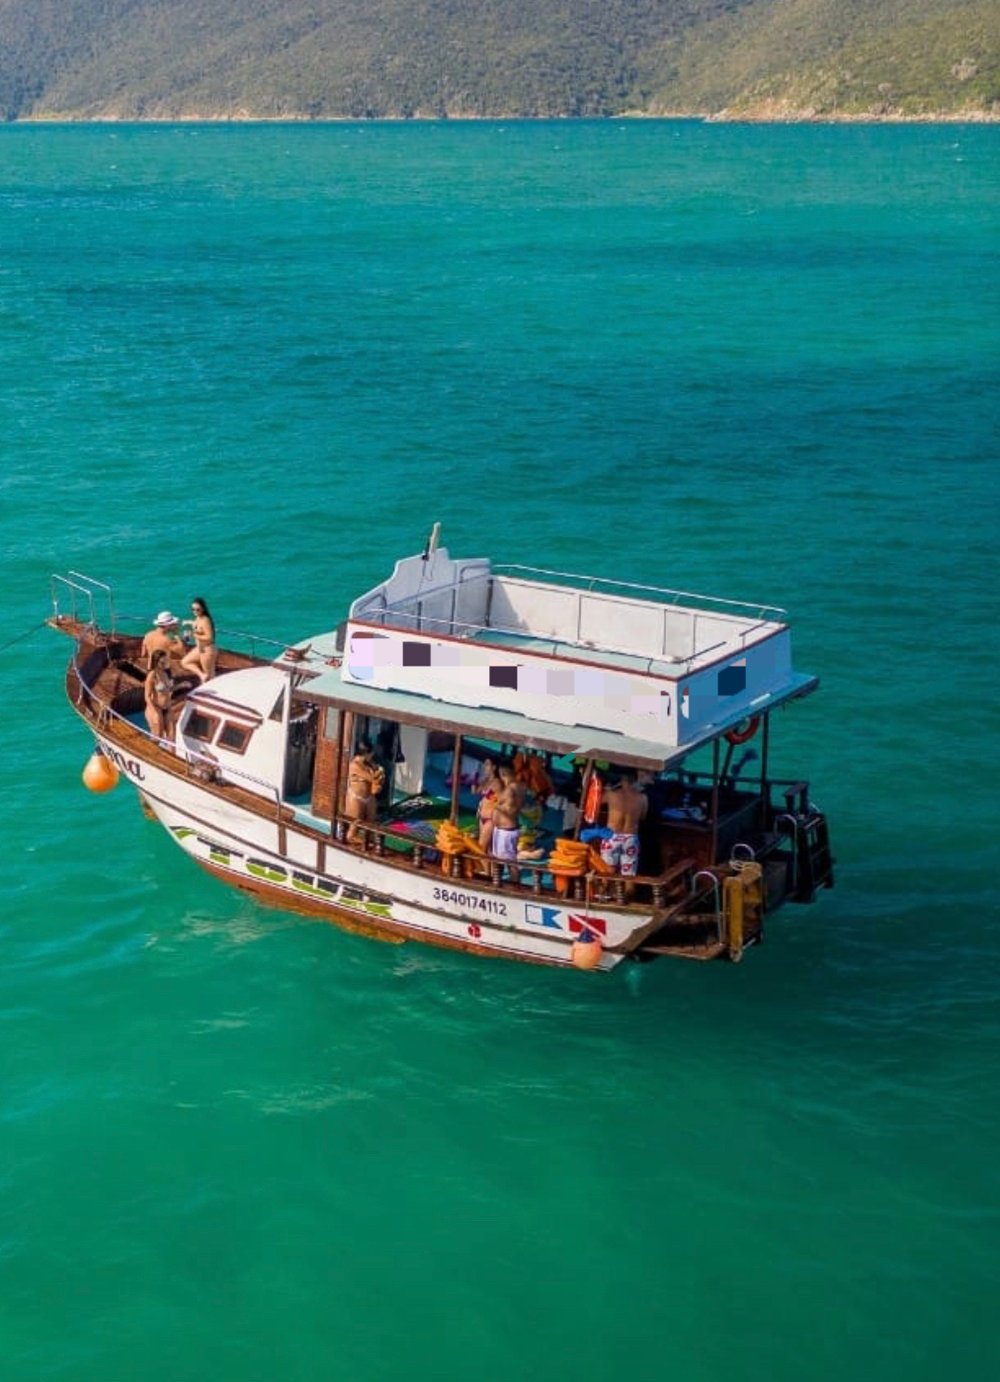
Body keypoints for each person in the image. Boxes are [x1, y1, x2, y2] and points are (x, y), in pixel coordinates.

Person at [599, 770, 649, 888]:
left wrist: (609, 788)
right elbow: (643, 816)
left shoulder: (611, 794)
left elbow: (596, 801)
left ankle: (604, 896)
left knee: (607, 871)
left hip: (612, 836)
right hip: (630, 837)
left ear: (621, 781)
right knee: (629, 875)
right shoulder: (642, 797)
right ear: (635, 781)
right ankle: (627, 900)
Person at [344, 740, 384, 844]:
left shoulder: (369, 763)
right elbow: (372, 777)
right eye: (371, 753)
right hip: (357, 798)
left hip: (369, 797)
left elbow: (378, 778)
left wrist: (379, 776)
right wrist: (379, 772)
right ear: (366, 753)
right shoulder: (354, 765)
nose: (373, 755)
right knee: (355, 823)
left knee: (371, 821)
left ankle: (369, 840)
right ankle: (353, 839)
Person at [491, 763, 525, 874]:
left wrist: (497, 807)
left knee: (509, 863)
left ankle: (513, 885)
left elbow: (508, 810)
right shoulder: (520, 786)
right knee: (504, 861)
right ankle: (509, 883)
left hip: (505, 831)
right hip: (508, 829)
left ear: (503, 774)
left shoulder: (510, 789)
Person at [181, 597, 217, 684]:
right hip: (200, 648)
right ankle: (201, 675)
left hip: (207, 649)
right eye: (193, 609)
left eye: (198, 609)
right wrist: (188, 622)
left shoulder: (205, 620)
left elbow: (210, 637)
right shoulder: (198, 618)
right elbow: (197, 625)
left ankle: (211, 690)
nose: (195, 611)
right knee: (185, 662)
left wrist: (194, 635)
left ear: (203, 609)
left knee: (209, 676)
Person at [144, 649, 175, 741]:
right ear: (156, 662)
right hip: (156, 708)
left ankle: (170, 755)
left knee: (171, 737)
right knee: (157, 736)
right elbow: (147, 696)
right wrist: (154, 712)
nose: (165, 664)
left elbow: (167, 690)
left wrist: (181, 685)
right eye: (162, 662)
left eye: (166, 661)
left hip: (167, 708)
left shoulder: (165, 673)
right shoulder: (152, 675)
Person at [473, 755, 502, 852]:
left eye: (487, 764)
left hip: (490, 819)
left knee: (481, 848)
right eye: (485, 764)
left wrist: (489, 796)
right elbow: (475, 791)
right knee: (488, 849)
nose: (485, 766)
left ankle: (483, 868)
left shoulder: (497, 783)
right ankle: (490, 868)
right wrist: (475, 779)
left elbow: (499, 800)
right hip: (482, 818)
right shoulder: (486, 780)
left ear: (494, 767)